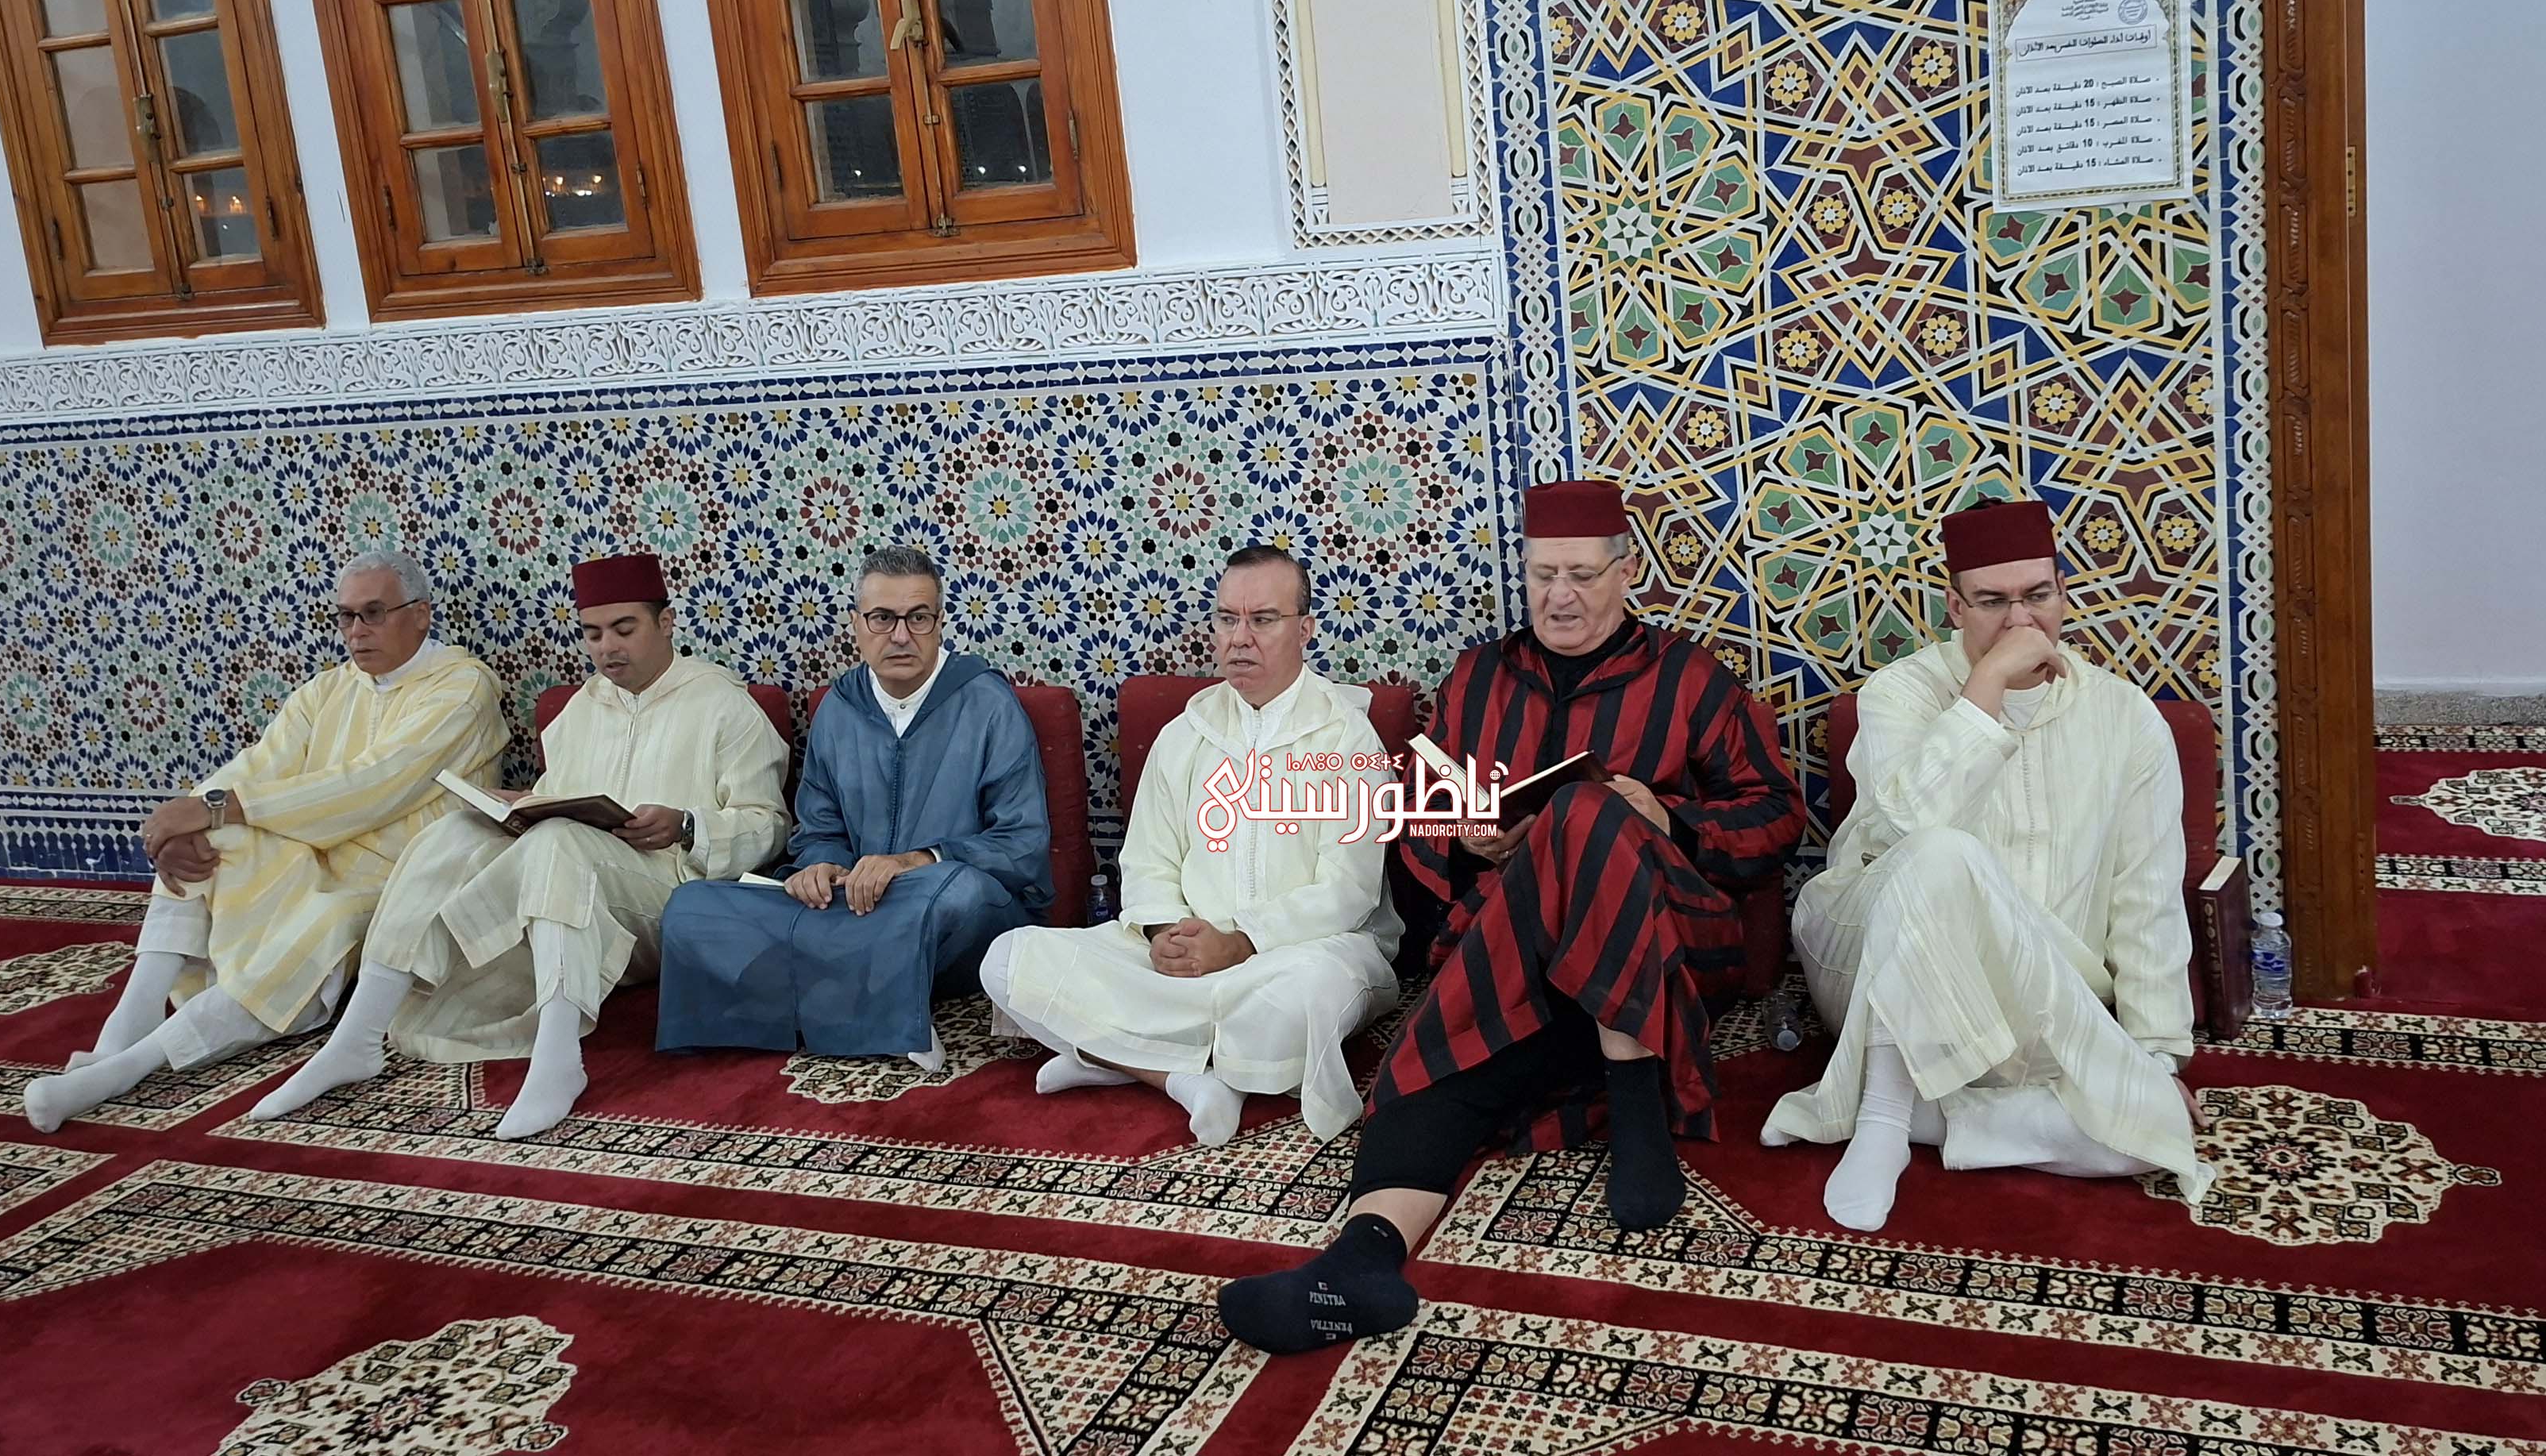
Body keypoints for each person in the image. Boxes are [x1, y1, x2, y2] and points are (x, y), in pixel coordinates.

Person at [1219, 480, 1801, 1354]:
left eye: (1581, 575)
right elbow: (1418, 810)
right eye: (1541, 575)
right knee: (1447, 1058)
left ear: (1625, 573)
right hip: (1516, 943)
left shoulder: (1689, 678)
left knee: (1586, 811)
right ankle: (1358, 1263)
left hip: (1665, 944)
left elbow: (1776, 816)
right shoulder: (1479, 676)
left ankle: (1638, 1101)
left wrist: (1666, 817)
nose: (1559, 596)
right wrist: (1465, 839)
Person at [1758, 496, 2213, 1230]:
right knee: (1941, 852)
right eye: (1994, 602)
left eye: (2037, 596)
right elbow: (1909, 826)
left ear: (2063, 593)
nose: (2020, 621)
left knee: (2151, 1131)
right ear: (1956, 607)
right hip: (1873, 962)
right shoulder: (1901, 691)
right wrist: (1986, 689)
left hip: (2032, 991)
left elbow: (2146, 897)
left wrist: (2153, 1058)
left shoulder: (2126, 717)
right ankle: (1880, 1122)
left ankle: (1923, 1118)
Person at [250, 553, 790, 1138]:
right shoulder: (582, 710)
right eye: (593, 634)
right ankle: (355, 1037)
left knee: (560, 838)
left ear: (665, 623)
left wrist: (687, 825)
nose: (608, 648)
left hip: (674, 904)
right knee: (456, 830)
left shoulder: (723, 703)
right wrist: (519, 810)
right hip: (572, 898)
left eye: (624, 629)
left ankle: (558, 1060)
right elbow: (561, 804)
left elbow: (770, 826)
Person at [25, 549, 507, 1132]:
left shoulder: (463, 688)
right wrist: (190, 820)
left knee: (322, 922)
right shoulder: (329, 690)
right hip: (313, 855)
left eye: (374, 613)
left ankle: (131, 1066)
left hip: (397, 875)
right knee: (217, 841)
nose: (357, 631)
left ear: (421, 614)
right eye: (346, 616)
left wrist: (216, 807)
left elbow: (374, 785)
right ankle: (130, 1020)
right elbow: (257, 766)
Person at [982, 545, 1400, 1146]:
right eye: (1227, 619)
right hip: (1183, 958)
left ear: (1305, 630)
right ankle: (1188, 1080)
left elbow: (1348, 891)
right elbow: (1147, 860)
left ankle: (1112, 1052)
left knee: (1305, 997)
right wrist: (1165, 935)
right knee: (1009, 958)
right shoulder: (1186, 733)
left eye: (1263, 620)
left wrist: (1240, 942)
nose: (1240, 638)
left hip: (1300, 955)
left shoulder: (1347, 738)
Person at [655, 546, 1048, 1065]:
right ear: (856, 624)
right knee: (691, 906)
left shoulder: (987, 703)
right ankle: (860, 991)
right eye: (883, 618)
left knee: (953, 891)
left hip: (950, 911)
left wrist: (916, 861)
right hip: (854, 905)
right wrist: (821, 867)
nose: (901, 635)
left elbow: (1022, 846)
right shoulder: (839, 708)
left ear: (940, 623)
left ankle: (828, 991)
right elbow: (819, 829)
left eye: (918, 618)